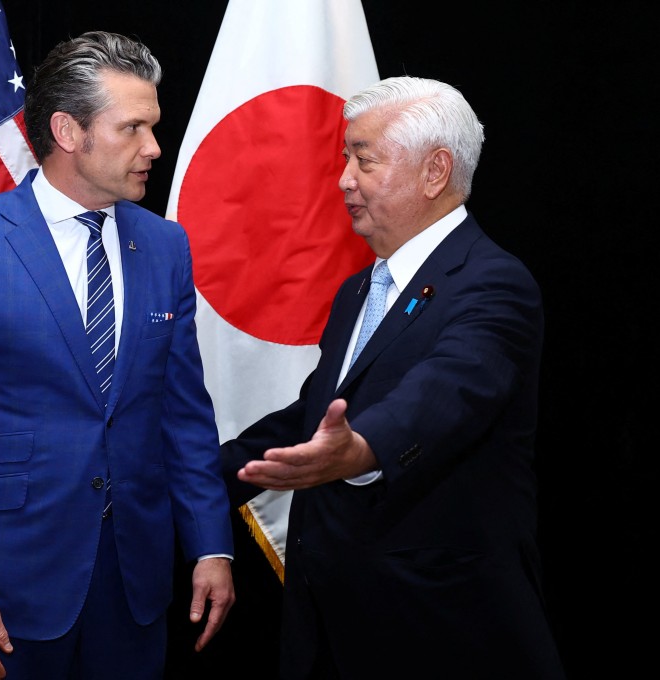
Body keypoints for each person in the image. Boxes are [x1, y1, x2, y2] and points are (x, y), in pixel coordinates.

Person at [0, 31, 234, 680]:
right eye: (132, 127)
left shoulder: (165, 246)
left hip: (134, 583)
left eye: (153, 127)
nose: (153, 148)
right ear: (67, 131)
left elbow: (184, 414)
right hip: (4, 584)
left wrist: (213, 546)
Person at [221, 76, 566, 679]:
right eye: (346, 157)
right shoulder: (359, 289)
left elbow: (447, 391)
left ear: (435, 172)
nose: (344, 179)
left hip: (439, 633)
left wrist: (364, 447)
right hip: (329, 623)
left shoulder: (493, 283)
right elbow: (315, 415)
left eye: (364, 159)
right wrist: (192, 478)